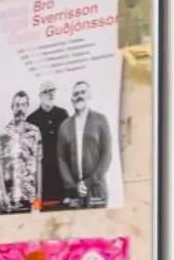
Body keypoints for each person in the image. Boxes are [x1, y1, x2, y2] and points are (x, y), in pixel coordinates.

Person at [57, 80, 114, 208]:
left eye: (83, 92)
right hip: (73, 193)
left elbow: (107, 155)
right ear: (72, 99)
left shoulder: (100, 120)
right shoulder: (64, 126)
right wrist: (73, 186)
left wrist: (89, 182)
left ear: (89, 95)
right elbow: (61, 159)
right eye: (76, 94)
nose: (79, 96)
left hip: (97, 188)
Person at [27, 82, 70, 208]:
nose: (51, 94)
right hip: (42, 173)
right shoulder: (32, 119)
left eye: (53, 91)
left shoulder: (62, 114)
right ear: (40, 95)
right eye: (47, 91)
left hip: (60, 171)